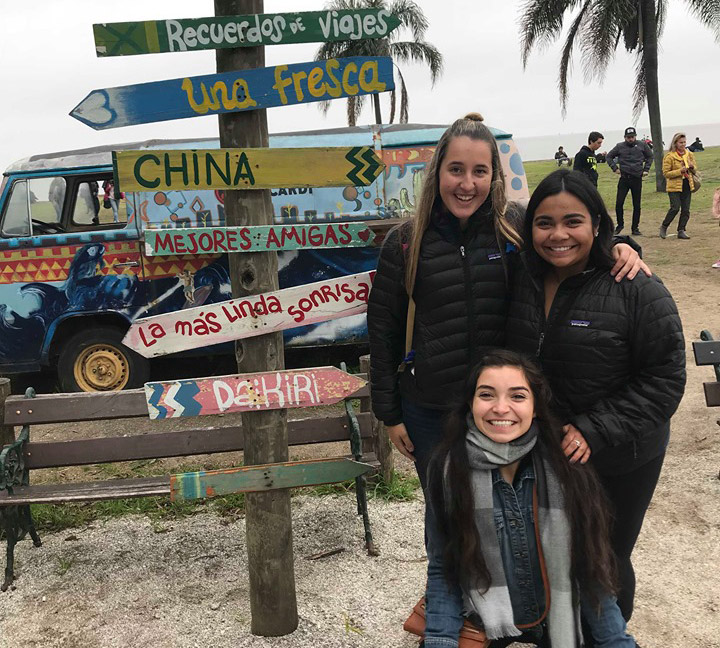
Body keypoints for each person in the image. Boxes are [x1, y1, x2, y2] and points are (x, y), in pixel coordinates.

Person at [367, 113, 647, 493]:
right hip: (431, 409)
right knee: (446, 522)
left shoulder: (513, 226)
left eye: (480, 171)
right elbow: (384, 332)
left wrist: (619, 246)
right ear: (437, 173)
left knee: (510, 517)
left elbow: (566, 246)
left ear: (494, 176)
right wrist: (390, 415)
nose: (467, 184)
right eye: (456, 170)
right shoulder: (405, 242)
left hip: (506, 406)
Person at [505, 169, 686, 625]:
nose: (558, 235)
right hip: (547, 448)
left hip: (622, 454)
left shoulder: (636, 286)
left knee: (606, 557)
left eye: (573, 222)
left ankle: (609, 635)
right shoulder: (521, 279)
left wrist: (596, 428)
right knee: (553, 550)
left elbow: (665, 379)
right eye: (544, 223)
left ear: (598, 225)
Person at [423, 350, 636, 647]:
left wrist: (615, 640)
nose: (500, 408)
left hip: (558, 617)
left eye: (518, 396)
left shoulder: (567, 466)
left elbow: (590, 565)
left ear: (536, 407)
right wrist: (440, 640)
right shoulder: (447, 469)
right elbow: (444, 568)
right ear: (470, 404)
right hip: (481, 617)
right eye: (487, 395)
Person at [607, 127, 653, 236]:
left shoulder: (642, 145)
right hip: (624, 178)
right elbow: (609, 156)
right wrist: (615, 168)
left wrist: (646, 169)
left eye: (632, 137)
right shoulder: (619, 146)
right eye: (628, 137)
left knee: (636, 204)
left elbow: (650, 156)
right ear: (625, 137)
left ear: (635, 136)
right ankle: (620, 225)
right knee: (619, 203)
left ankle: (635, 228)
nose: (630, 139)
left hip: (637, 178)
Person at [660, 133, 698, 240]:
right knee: (675, 208)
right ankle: (664, 226)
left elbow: (695, 170)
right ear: (675, 143)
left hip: (687, 184)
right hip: (674, 186)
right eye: (681, 142)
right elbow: (666, 173)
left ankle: (681, 230)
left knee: (686, 209)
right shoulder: (669, 156)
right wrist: (679, 171)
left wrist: (692, 167)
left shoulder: (689, 154)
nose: (683, 144)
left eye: (684, 142)